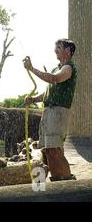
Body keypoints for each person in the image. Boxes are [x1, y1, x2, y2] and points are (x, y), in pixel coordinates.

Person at [23, 39, 77, 181]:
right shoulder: (56, 68)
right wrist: (34, 99)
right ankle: (58, 181)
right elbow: (49, 92)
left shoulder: (68, 68)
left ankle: (69, 183)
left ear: (68, 50)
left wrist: (32, 69)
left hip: (58, 112)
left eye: (59, 47)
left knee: (55, 150)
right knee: (47, 150)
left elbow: (54, 79)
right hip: (49, 112)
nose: (55, 50)